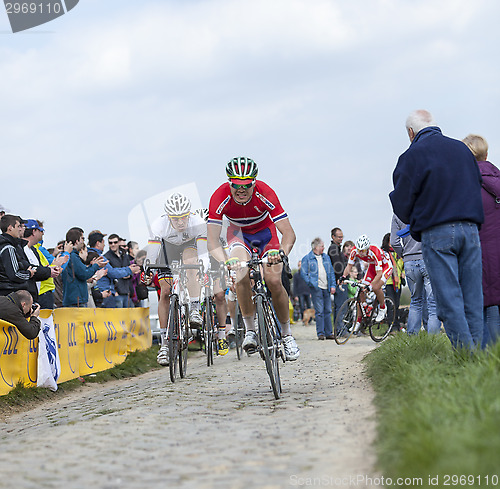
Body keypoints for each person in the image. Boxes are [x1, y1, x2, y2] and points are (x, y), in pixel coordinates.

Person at [390, 110, 484, 350]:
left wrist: (418, 219)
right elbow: (476, 184)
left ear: (411, 132)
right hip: (471, 228)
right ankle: (478, 355)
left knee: (447, 299)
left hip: (437, 230)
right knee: (473, 296)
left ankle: (466, 356)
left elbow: (401, 204)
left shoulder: (411, 155)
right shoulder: (462, 150)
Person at [207, 157, 300, 361]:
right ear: (229, 183)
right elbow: (212, 241)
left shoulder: (265, 192)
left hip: (266, 235)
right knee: (240, 275)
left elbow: (289, 233)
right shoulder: (219, 196)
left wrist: (281, 253)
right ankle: (250, 331)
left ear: (254, 183)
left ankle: (287, 335)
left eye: (246, 186)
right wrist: (225, 261)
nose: (241, 191)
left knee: (274, 280)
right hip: (239, 236)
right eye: (236, 186)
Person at [146, 193, 210, 366]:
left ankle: (195, 309)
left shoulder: (197, 222)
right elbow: (153, 252)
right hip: (168, 250)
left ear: (189, 215)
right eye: (176, 219)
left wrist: (202, 269)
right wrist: (149, 269)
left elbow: (203, 251)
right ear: (169, 217)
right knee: (165, 292)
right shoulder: (159, 225)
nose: (181, 222)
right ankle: (164, 345)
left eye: (184, 218)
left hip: (189, 247)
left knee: (192, 263)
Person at [462, 134, 500, 346]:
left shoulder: (466, 185)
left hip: (477, 254)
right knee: (495, 304)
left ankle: (486, 360)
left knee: (483, 306)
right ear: (487, 154)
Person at [391, 216, 441, 335]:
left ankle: (412, 337)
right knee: (433, 303)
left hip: (409, 262)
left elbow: (394, 242)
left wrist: (404, 255)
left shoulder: (398, 213)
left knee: (415, 301)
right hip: (428, 258)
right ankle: (433, 339)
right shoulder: (425, 204)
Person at [339, 234, 393, 331]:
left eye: (363, 250)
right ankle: (359, 319)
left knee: (376, 287)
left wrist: (370, 286)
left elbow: (379, 273)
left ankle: (382, 307)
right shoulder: (354, 251)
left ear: (367, 248)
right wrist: (343, 277)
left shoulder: (375, 252)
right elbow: (349, 266)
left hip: (385, 267)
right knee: (360, 290)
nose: (361, 253)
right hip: (372, 267)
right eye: (359, 250)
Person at [87, 231, 140, 308]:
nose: (104, 245)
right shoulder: (100, 257)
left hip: (99, 293)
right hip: (104, 293)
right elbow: (112, 272)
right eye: (104, 242)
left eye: (115, 242)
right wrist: (129, 270)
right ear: (98, 243)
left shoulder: (87, 255)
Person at [300, 238, 336, 340]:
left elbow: (331, 272)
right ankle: (321, 333)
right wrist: (311, 283)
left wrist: (333, 285)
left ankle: (329, 333)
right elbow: (304, 273)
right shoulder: (307, 258)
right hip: (316, 288)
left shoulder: (326, 257)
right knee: (319, 311)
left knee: (328, 310)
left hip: (326, 287)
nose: (324, 248)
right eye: (322, 246)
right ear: (316, 247)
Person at [62, 228, 107, 307]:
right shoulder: (73, 256)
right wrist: (95, 266)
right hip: (76, 301)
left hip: (76, 300)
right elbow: (84, 274)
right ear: (77, 241)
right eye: (82, 238)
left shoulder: (73, 256)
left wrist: (93, 266)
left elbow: (83, 271)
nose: (83, 242)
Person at [0, 214, 35, 297]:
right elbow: (15, 274)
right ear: (10, 228)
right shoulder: (8, 248)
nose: (20, 229)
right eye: (18, 226)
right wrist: (29, 273)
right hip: (9, 294)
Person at [381, 233, 405, 332]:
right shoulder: (384, 252)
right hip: (389, 282)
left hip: (397, 282)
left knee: (397, 304)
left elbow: (404, 265)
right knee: (391, 305)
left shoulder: (399, 252)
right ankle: (391, 326)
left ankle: (396, 324)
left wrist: (403, 273)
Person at [104, 234, 134, 308]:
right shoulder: (106, 257)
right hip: (116, 293)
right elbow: (109, 274)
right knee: (118, 318)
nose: (113, 245)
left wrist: (129, 275)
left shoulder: (124, 255)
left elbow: (131, 270)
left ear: (118, 243)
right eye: (110, 243)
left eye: (115, 242)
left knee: (128, 318)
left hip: (126, 292)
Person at [327, 227, 347, 321]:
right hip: (339, 281)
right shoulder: (333, 248)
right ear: (333, 237)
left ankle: (339, 330)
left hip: (339, 280)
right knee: (341, 306)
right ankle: (340, 331)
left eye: (342, 237)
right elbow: (337, 266)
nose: (341, 239)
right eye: (339, 237)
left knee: (340, 306)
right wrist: (341, 277)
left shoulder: (337, 248)